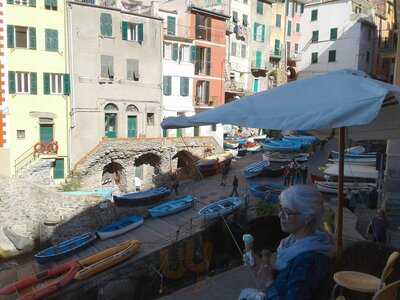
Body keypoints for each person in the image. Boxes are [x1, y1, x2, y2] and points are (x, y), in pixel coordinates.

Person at [239, 185, 333, 300]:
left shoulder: (308, 262)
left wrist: (269, 282)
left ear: (307, 218)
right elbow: (288, 278)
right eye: (280, 209)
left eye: (287, 212)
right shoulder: (294, 242)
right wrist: (260, 266)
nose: (280, 215)